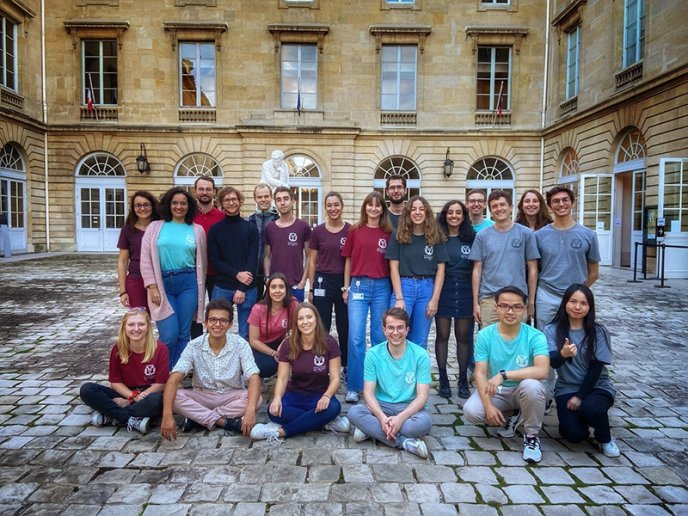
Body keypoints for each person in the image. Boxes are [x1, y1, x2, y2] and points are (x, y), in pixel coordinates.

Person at [462, 286, 549, 463]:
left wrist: (504, 374)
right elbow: (480, 372)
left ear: (524, 309)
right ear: (496, 307)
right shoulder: (486, 335)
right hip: (498, 391)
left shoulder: (535, 336)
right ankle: (512, 415)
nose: (510, 312)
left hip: (523, 389)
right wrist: (488, 406)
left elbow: (542, 370)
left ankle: (532, 436)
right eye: (504, 306)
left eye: (516, 307)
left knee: (531, 386)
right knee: (471, 411)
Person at [160, 299, 262, 439]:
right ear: (206, 323)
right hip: (202, 395)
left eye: (223, 321)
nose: (217, 324)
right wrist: (167, 415)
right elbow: (173, 379)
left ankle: (197, 418)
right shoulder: (194, 346)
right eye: (213, 320)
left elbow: (254, 377)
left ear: (230, 324)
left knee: (257, 399)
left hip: (231, 395)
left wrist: (250, 411)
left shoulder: (240, 344)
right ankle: (224, 422)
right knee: (175, 396)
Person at [251, 302, 349, 440]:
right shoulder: (288, 345)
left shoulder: (330, 342)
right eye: (300, 318)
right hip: (295, 394)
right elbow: (282, 378)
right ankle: (324, 422)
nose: (305, 322)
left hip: (319, 394)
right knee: (273, 411)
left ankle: (281, 432)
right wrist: (277, 398)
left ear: (316, 319)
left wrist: (326, 396)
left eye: (309, 317)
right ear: (296, 323)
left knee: (334, 407)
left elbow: (335, 378)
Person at [544, 285, 619, 457]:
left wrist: (579, 396)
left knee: (591, 407)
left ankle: (605, 438)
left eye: (583, 303)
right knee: (574, 435)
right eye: (573, 302)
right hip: (566, 388)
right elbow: (553, 362)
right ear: (565, 304)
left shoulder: (598, 331)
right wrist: (563, 354)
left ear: (590, 307)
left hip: (597, 387)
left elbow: (596, 368)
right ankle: (585, 419)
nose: (577, 307)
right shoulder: (551, 330)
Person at [348, 308, 432, 459]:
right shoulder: (373, 354)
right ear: (384, 330)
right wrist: (381, 417)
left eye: (400, 327)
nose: (395, 332)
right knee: (354, 413)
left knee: (424, 423)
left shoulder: (420, 355)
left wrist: (400, 418)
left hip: (408, 408)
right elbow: (368, 393)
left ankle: (371, 430)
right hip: (381, 406)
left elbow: (422, 397)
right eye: (391, 328)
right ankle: (404, 442)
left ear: (407, 329)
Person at [140, 187, 207, 368]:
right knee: (169, 334)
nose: (179, 206)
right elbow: (145, 258)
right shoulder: (155, 227)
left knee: (184, 333)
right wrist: (152, 286)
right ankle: (162, 372)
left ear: (189, 206)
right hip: (163, 284)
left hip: (188, 283)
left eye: (183, 203)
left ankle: (177, 375)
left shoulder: (197, 230)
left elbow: (202, 262)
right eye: (175, 203)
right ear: (168, 205)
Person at [80, 308, 169, 435]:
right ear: (124, 327)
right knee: (87, 389)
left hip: (147, 393)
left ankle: (111, 415)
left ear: (148, 327)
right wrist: (132, 396)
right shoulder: (118, 348)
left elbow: (161, 384)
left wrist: (131, 401)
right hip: (125, 392)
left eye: (141, 324)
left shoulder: (160, 348)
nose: (136, 329)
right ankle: (129, 419)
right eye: (131, 324)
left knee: (157, 401)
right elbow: (115, 382)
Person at [341, 191, 393, 403]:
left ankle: (378, 384)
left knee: (380, 337)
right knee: (355, 338)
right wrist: (346, 287)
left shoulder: (389, 232)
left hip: (382, 286)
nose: (373, 209)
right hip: (359, 285)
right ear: (365, 208)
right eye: (369, 205)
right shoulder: (355, 230)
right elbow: (348, 260)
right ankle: (354, 385)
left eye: (377, 205)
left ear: (382, 209)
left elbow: (393, 264)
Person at [469, 189, 539, 328]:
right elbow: (477, 270)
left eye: (502, 205)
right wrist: (475, 303)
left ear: (511, 207)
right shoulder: (482, 236)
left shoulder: (526, 234)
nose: (499, 209)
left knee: (517, 344)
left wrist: (531, 302)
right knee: (490, 343)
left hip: (517, 298)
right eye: (495, 206)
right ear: (490, 210)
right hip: (489, 299)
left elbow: (533, 269)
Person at [386, 195, 447, 349]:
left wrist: (435, 299)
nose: (417, 212)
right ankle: (396, 372)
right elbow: (393, 267)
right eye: (413, 209)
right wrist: (399, 298)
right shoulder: (398, 235)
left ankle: (416, 372)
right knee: (396, 334)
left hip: (427, 289)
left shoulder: (435, 236)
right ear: (408, 213)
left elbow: (441, 269)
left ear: (427, 213)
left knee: (420, 339)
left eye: (421, 209)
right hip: (404, 287)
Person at [535, 185, 600, 330]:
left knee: (575, 338)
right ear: (550, 206)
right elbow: (534, 269)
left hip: (576, 298)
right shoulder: (539, 236)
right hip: (547, 295)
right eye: (556, 201)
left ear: (572, 202)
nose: (561, 204)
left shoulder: (588, 235)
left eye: (565, 200)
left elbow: (594, 272)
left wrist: (579, 292)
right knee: (544, 338)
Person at [435, 200, 476, 399]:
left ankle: (461, 379)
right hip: (444, 288)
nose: (454, 216)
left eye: (458, 212)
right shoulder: (437, 238)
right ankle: (443, 378)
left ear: (463, 215)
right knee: (442, 335)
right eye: (450, 212)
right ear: (444, 215)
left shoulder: (471, 237)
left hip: (466, 288)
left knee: (463, 337)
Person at [208, 186, 259, 340]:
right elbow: (215, 261)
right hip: (223, 286)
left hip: (248, 287)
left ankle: (242, 362)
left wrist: (242, 288)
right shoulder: (215, 230)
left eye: (234, 199)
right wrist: (237, 275)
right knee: (217, 328)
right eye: (227, 200)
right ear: (221, 204)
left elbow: (252, 259)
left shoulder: (250, 228)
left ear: (239, 201)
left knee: (246, 331)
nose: (231, 203)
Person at [307, 192, 350, 370]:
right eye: (329, 205)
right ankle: (322, 363)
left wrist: (347, 287)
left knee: (344, 325)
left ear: (342, 206)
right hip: (322, 282)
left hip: (342, 282)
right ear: (325, 208)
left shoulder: (350, 230)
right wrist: (310, 289)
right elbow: (312, 261)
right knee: (322, 326)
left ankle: (346, 364)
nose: (333, 208)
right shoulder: (318, 231)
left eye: (336, 205)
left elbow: (351, 259)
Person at [190, 175, 225, 339]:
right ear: (195, 191)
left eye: (208, 189)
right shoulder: (187, 217)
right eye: (201, 189)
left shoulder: (221, 216)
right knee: (194, 312)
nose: (205, 192)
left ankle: (214, 342)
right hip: (192, 272)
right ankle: (197, 344)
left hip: (216, 273)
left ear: (214, 192)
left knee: (216, 312)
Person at [263, 186, 311, 302]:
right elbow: (267, 256)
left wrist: (303, 281)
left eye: (286, 199)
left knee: (295, 319)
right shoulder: (270, 228)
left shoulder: (303, 226)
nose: (282, 203)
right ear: (275, 203)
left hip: (296, 286)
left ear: (292, 201)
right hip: (275, 286)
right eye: (279, 200)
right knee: (275, 319)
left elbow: (310, 256)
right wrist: (267, 278)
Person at [247, 273, 299, 378]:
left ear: (286, 289)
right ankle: (258, 378)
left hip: (282, 341)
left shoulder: (293, 304)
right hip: (261, 345)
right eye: (273, 287)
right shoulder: (258, 309)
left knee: (300, 358)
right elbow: (253, 340)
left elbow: (299, 329)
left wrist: (286, 342)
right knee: (267, 367)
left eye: (281, 287)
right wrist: (274, 353)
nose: (277, 291)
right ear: (268, 290)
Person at [117, 191, 159, 312]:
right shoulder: (127, 230)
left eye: (146, 205)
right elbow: (123, 261)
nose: (142, 208)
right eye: (138, 205)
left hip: (159, 280)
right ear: (133, 208)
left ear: (152, 206)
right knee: (140, 320)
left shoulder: (160, 227)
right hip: (136, 280)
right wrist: (122, 291)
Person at [248, 183, 278, 299]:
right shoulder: (250, 220)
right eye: (260, 197)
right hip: (254, 271)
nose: (263, 200)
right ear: (255, 198)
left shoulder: (278, 219)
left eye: (266, 196)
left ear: (271, 197)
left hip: (274, 270)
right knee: (254, 306)